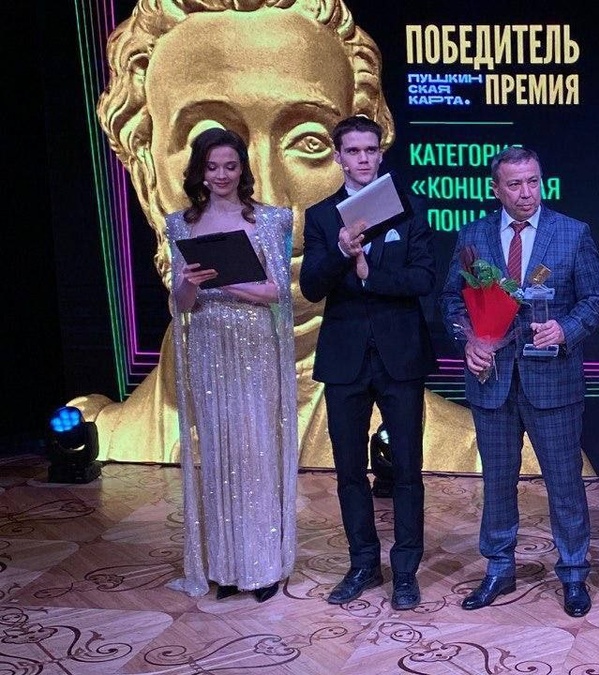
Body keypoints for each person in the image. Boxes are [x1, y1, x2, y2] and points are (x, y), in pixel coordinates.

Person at [83, 0, 482, 474]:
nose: (267, 195)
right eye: (209, 144)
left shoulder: (467, 451)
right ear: (147, 176)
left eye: (309, 141)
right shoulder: (105, 436)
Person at [439, 146, 599, 618]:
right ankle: (499, 567)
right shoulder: (473, 235)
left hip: (552, 380)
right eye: (514, 184)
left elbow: (597, 298)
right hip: (491, 378)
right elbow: (452, 299)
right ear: (496, 189)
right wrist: (468, 339)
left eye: (533, 181)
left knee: (564, 481)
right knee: (497, 480)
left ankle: (573, 572)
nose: (526, 192)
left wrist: (566, 329)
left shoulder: (572, 232)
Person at [299, 115, 436, 611]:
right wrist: (341, 252)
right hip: (346, 359)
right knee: (350, 470)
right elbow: (311, 287)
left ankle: (405, 570)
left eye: (371, 150)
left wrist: (368, 273)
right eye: (353, 151)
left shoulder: (409, 208)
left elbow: (424, 278)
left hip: (401, 356)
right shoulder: (321, 216)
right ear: (338, 157)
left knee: (407, 469)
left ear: (381, 154)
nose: (363, 158)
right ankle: (362, 564)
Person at [165, 128, 297, 603]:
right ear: (200, 171)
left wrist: (222, 281)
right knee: (219, 453)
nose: (221, 175)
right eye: (212, 166)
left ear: (243, 169)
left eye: (230, 166)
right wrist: (189, 284)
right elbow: (181, 304)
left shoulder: (271, 220)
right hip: (208, 344)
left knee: (256, 450)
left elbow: (276, 293)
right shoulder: (180, 225)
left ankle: (262, 568)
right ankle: (225, 568)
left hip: (254, 345)